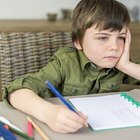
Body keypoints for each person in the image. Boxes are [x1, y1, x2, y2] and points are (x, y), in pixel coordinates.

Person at [3, 0, 140, 133]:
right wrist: (48, 113)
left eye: (121, 37)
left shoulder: (119, 64)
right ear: (78, 42)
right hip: (66, 131)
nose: (114, 47)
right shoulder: (65, 63)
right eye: (103, 38)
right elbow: (16, 92)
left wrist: (126, 65)